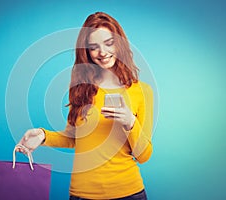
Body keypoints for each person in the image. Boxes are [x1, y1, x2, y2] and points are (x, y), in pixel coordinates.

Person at [16, 12, 154, 200]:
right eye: (94, 47)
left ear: (119, 43)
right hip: (82, 195)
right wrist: (43, 136)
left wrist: (130, 122)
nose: (103, 52)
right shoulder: (81, 89)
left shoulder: (142, 92)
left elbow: (144, 155)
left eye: (109, 43)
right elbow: (74, 138)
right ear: (86, 51)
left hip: (128, 194)